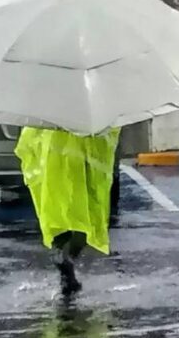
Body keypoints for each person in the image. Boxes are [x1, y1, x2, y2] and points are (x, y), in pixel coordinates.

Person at [15, 127, 121, 296]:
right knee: (86, 221)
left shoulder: (49, 115)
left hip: (53, 159)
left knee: (57, 215)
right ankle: (69, 258)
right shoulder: (89, 112)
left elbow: (29, 140)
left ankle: (61, 258)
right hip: (84, 159)